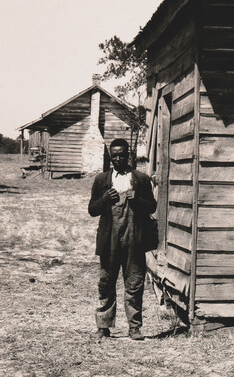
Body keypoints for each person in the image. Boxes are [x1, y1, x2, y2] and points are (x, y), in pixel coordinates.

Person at [88, 138, 157, 340]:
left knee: (134, 282)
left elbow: (152, 207)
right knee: (106, 282)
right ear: (110, 156)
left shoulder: (142, 179)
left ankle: (134, 327)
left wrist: (139, 200)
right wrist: (104, 200)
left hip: (134, 237)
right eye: (114, 155)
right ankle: (103, 326)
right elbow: (92, 210)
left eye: (122, 154)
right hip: (109, 239)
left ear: (129, 155)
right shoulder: (101, 180)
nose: (118, 158)